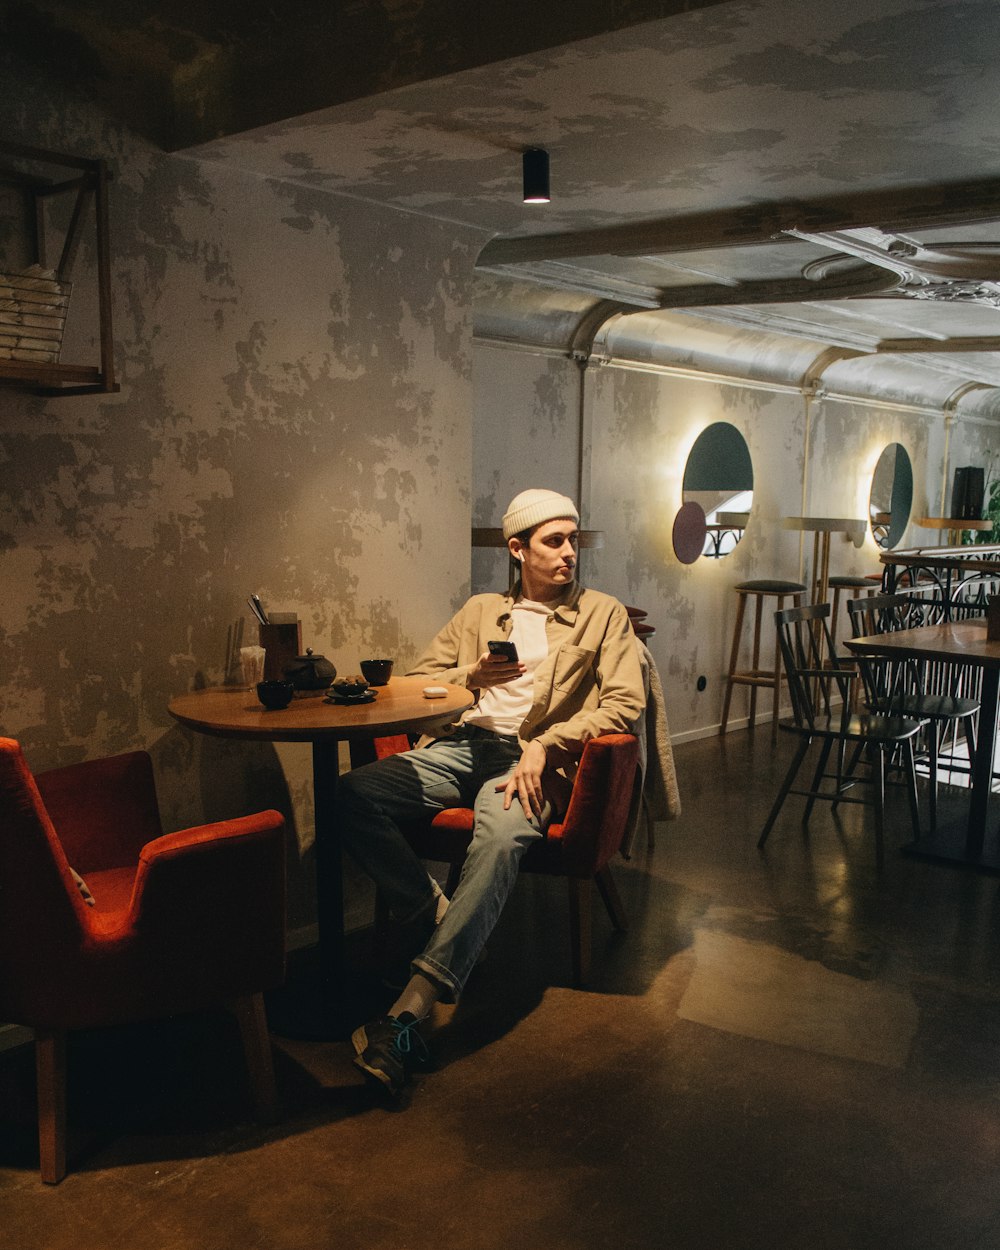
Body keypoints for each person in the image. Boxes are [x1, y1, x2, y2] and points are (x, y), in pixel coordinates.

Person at [339, 488, 645, 1095]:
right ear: (517, 548)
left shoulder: (601, 613)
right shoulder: (481, 610)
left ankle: (407, 1015)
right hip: (463, 746)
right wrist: (471, 676)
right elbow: (421, 684)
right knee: (351, 794)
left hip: (534, 761)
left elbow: (625, 703)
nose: (569, 554)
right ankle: (440, 916)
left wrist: (547, 743)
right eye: (553, 541)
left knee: (501, 834)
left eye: (573, 540)